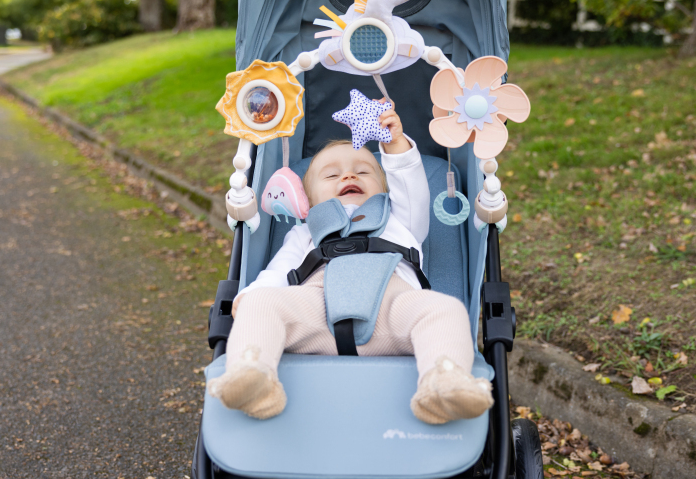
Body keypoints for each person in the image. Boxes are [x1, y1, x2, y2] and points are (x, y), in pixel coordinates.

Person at [208, 104, 493, 424]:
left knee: (444, 310)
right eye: (331, 175)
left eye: (364, 171)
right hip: (316, 312)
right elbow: (279, 271)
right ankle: (253, 376)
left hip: (393, 311)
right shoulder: (305, 232)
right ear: (309, 200)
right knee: (263, 303)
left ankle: (443, 383)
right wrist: (252, 299)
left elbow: (410, 187)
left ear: (385, 189)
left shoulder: (401, 218)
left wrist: (395, 145)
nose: (348, 175)